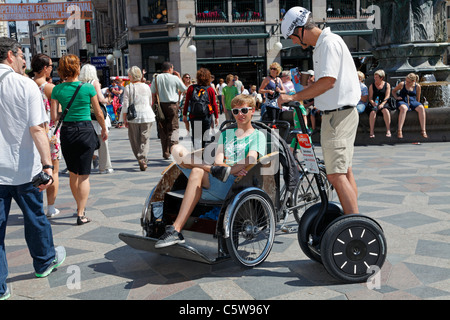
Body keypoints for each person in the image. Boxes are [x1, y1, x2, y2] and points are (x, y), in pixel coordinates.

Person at [0, 37, 66, 300]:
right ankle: (44, 261)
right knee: (35, 217)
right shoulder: (24, 85)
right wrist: (48, 165)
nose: (25, 61)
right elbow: (38, 128)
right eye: (21, 55)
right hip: (24, 167)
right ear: (10, 56)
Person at [155, 94, 267, 248]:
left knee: (196, 171)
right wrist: (218, 169)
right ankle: (175, 231)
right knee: (175, 149)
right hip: (216, 174)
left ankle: (176, 229)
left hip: (232, 184)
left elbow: (251, 159)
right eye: (235, 111)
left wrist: (232, 170)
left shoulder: (257, 135)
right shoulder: (226, 134)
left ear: (252, 111)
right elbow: (218, 160)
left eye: (243, 110)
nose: (240, 114)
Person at [279, 7, 361, 215]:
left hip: (338, 116)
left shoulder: (328, 43)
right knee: (344, 171)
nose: (294, 42)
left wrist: (294, 97)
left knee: (335, 175)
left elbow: (328, 82)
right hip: (337, 114)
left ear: (300, 30)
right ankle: (353, 219)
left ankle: (354, 227)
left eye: (292, 37)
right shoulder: (323, 45)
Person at [51, 54, 108, 225]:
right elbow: (98, 113)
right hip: (85, 130)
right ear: (77, 69)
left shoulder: (57, 89)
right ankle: (81, 213)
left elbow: (54, 116)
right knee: (84, 174)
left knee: (73, 173)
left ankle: (78, 206)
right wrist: (104, 128)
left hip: (67, 131)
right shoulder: (87, 88)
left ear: (61, 70)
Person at [30, 53, 61, 217]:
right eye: (50, 66)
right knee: (52, 170)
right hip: (49, 132)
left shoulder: (27, 84)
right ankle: (51, 207)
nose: (51, 69)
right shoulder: (49, 88)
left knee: (35, 169)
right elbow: (56, 114)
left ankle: (36, 206)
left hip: (32, 132)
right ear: (44, 68)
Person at [79, 64, 114, 174]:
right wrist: (107, 100)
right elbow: (100, 98)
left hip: (85, 115)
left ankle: (85, 166)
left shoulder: (80, 84)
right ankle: (105, 167)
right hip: (96, 115)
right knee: (103, 142)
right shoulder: (94, 83)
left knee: (87, 143)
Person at [122, 66, 156, 171]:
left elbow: (125, 104)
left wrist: (124, 118)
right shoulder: (146, 86)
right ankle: (143, 158)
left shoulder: (129, 87)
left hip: (134, 116)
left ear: (131, 76)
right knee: (145, 139)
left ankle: (140, 158)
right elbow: (150, 101)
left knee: (134, 139)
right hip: (147, 115)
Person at [151, 61, 187, 159]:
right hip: (172, 105)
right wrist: (179, 77)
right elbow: (184, 89)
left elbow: (153, 93)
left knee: (163, 129)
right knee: (174, 128)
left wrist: (152, 106)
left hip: (160, 106)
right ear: (170, 68)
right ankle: (174, 150)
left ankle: (165, 153)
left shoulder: (156, 78)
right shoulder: (174, 78)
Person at [183, 68, 219, 150]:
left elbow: (187, 102)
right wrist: (216, 117)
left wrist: (184, 114)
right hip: (206, 116)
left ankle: (197, 154)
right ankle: (204, 153)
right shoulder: (210, 89)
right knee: (205, 136)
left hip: (194, 115)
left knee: (196, 136)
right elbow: (214, 104)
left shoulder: (191, 88)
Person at [392, 73, 427, 138]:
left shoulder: (417, 86)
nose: (407, 82)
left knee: (421, 108)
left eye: (408, 82)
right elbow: (393, 91)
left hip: (412, 101)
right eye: (406, 80)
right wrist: (396, 97)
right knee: (404, 108)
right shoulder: (402, 84)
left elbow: (418, 98)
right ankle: (399, 130)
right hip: (403, 100)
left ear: (413, 81)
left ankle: (423, 130)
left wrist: (416, 106)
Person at [367, 69, 392, 138]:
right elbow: (370, 97)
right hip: (375, 102)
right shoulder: (372, 86)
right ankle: (371, 131)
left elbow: (387, 96)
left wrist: (382, 104)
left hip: (384, 102)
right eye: (374, 77)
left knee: (385, 110)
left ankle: (388, 130)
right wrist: (372, 103)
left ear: (381, 78)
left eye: (376, 77)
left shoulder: (387, 85)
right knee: (373, 112)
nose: (375, 79)